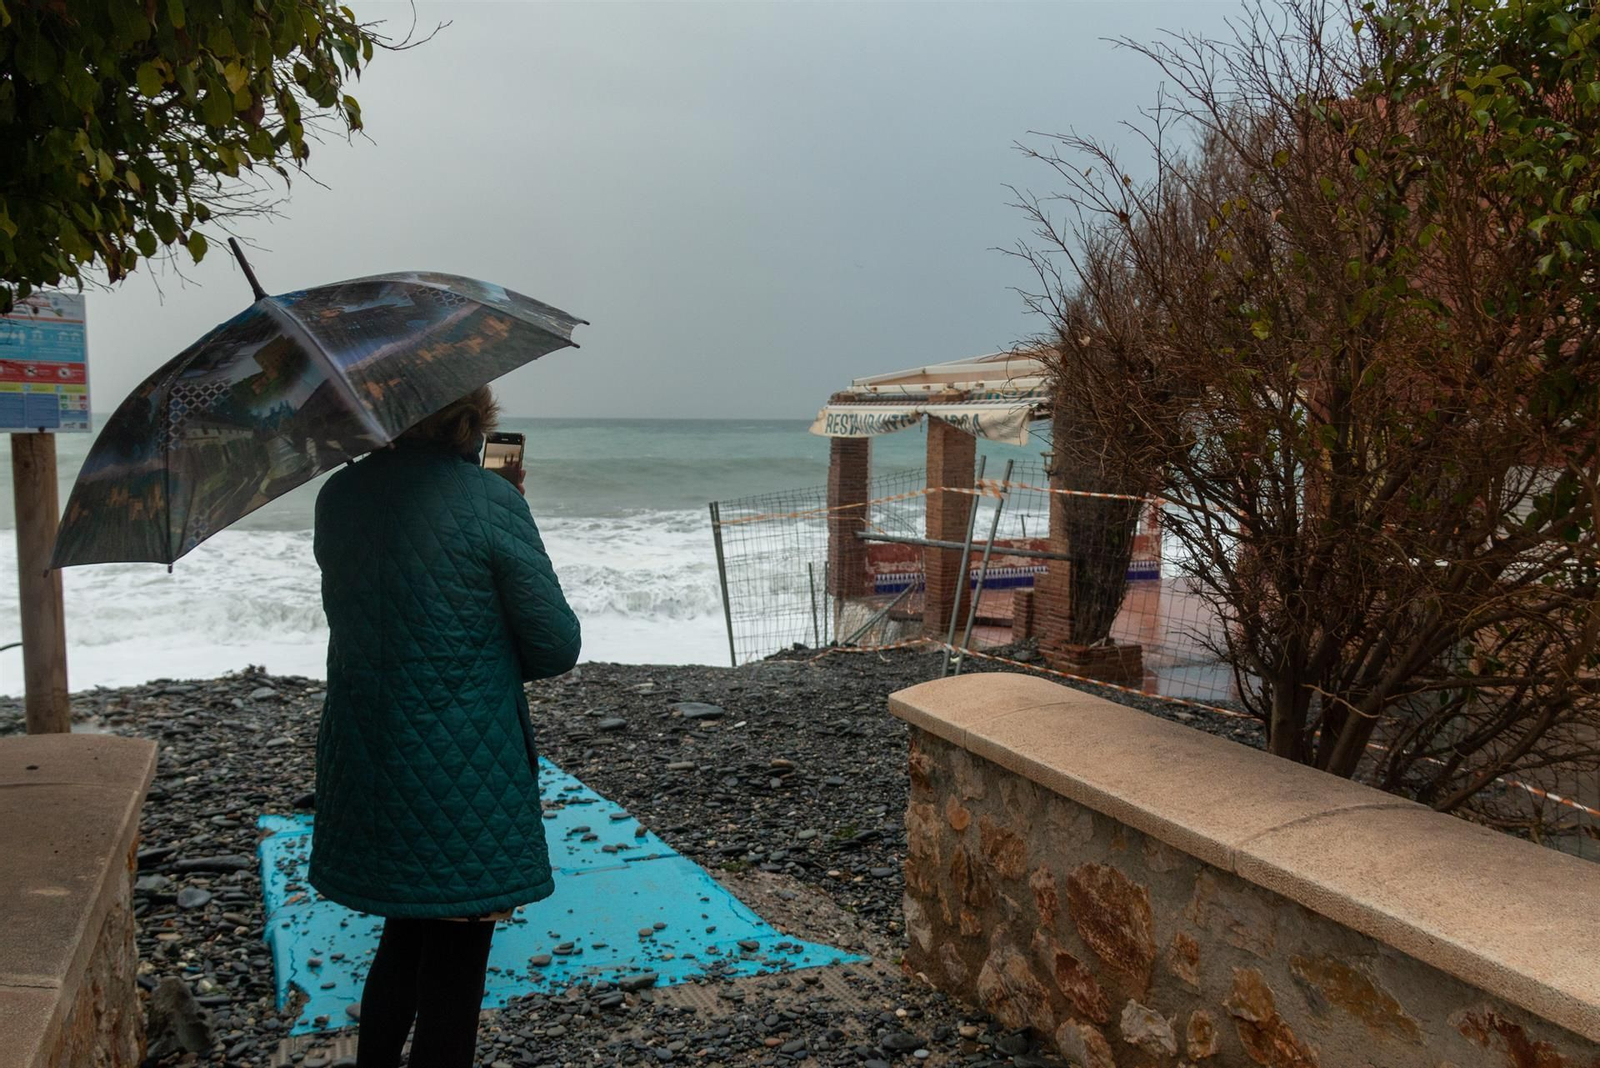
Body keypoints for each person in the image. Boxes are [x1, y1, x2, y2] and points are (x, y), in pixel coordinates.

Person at [308, 386, 580, 1068]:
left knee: (406, 930)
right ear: (471, 418)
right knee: (456, 967)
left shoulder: (338, 498)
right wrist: (510, 504)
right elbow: (555, 645)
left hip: (367, 757)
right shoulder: (490, 501)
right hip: (461, 769)